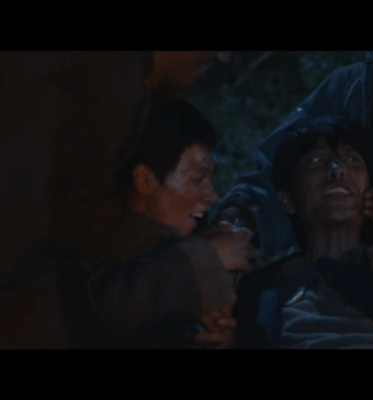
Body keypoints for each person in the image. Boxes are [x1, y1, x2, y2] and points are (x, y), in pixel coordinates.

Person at [0, 51, 247, 348]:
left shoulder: (115, 82)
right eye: (196, 179)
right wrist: (196, 265)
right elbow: (68, 245)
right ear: (143, 180)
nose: (223, 57)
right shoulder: (106, 79)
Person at [232, 116, 373, 349]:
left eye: (352, 159)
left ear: (371, 192)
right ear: (288, 200)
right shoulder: (262, 289)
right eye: (316, 160)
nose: (338, 169)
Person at [215, 52, 373, 276]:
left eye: (352, 159)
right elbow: (276, 179)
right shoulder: (350, 90)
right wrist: (235, 226)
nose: (337, 170)